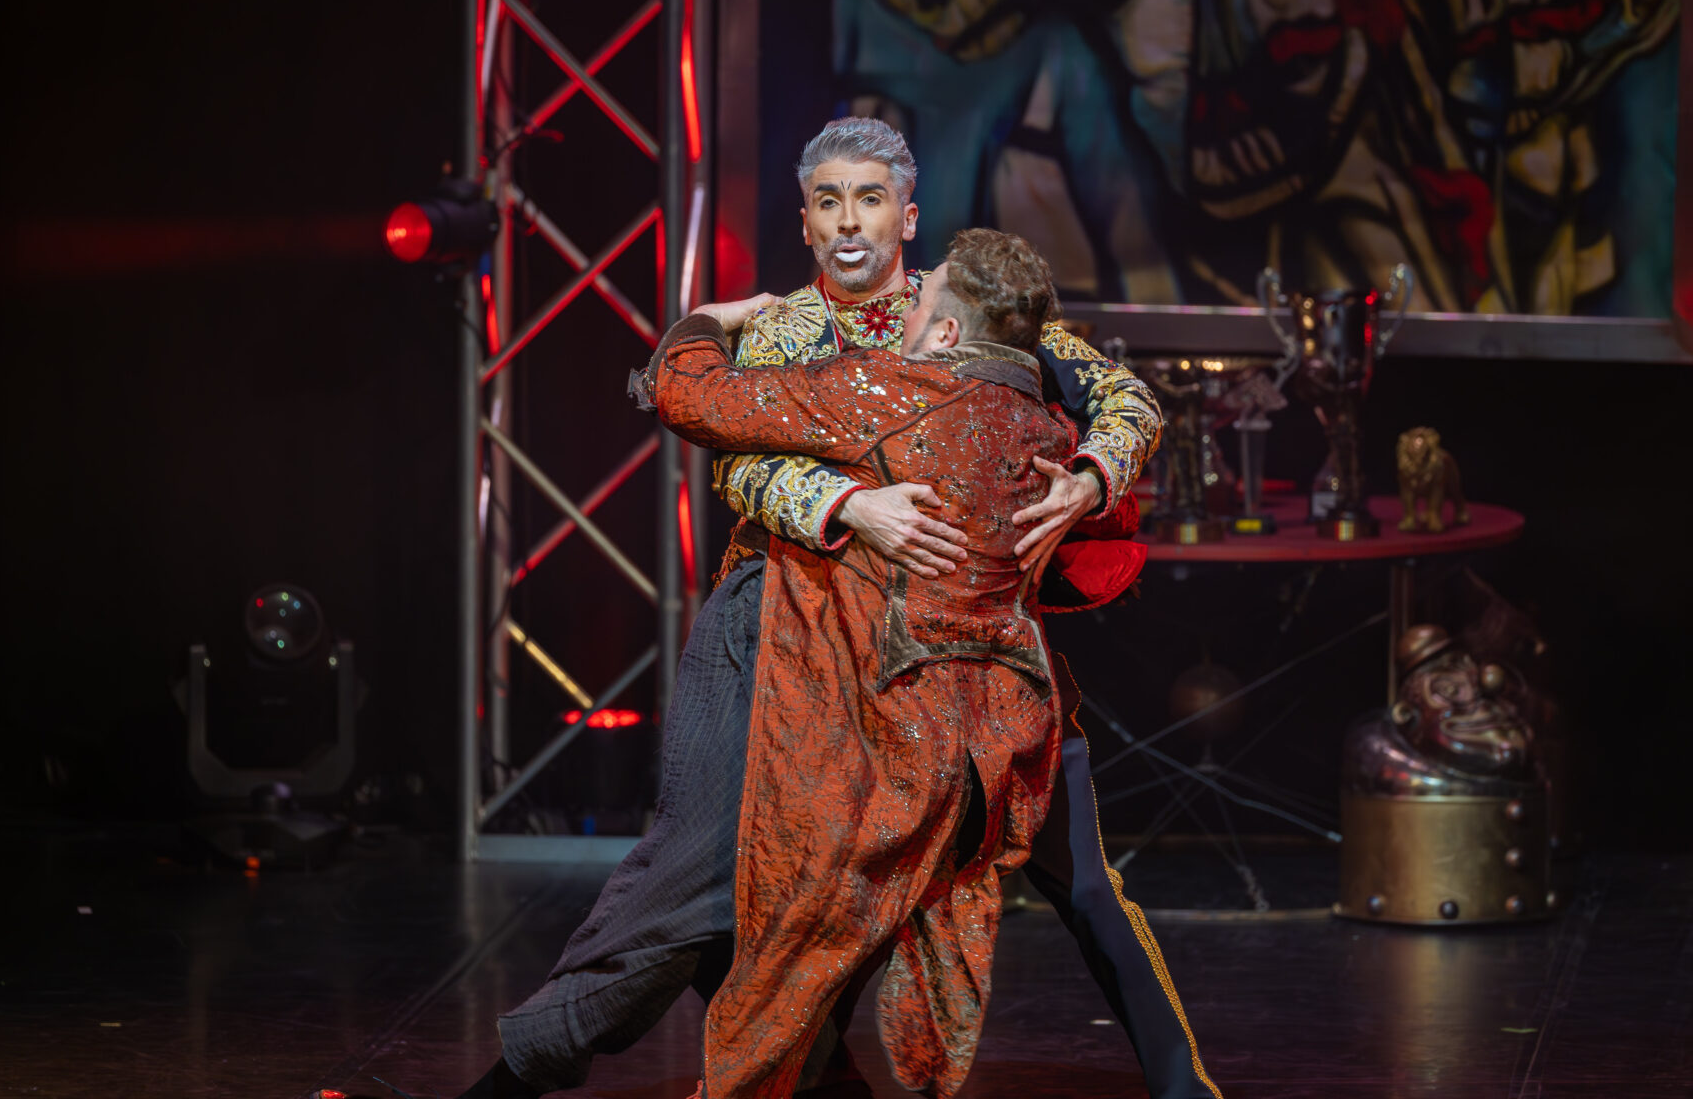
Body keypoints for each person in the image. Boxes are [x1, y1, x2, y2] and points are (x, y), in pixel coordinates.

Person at [470, 118, 1217, 1099]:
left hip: (962, 639)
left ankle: (1181, 1084)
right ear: (806, 222)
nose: (850, 221)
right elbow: (736, 462)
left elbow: (1126, 396)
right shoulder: (785, 332)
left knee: (1070, 873)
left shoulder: (968, 307)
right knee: (741, 878)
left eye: (869, 198)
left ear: (907, 215)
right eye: (829, 202)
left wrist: (1087, 478)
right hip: (799, 617)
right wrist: (850, 504)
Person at [649, 228, 1144, 1098]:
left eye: (924, 299)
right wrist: (1090, 475)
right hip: (1004, 747)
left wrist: (706, 321)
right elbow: (1124, 397)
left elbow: (693, 398)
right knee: (899, 925)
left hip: (892, 737)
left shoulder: (877, 389)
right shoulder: (1046, 428)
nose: (908, 305)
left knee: (795, 930)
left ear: (947, 328)